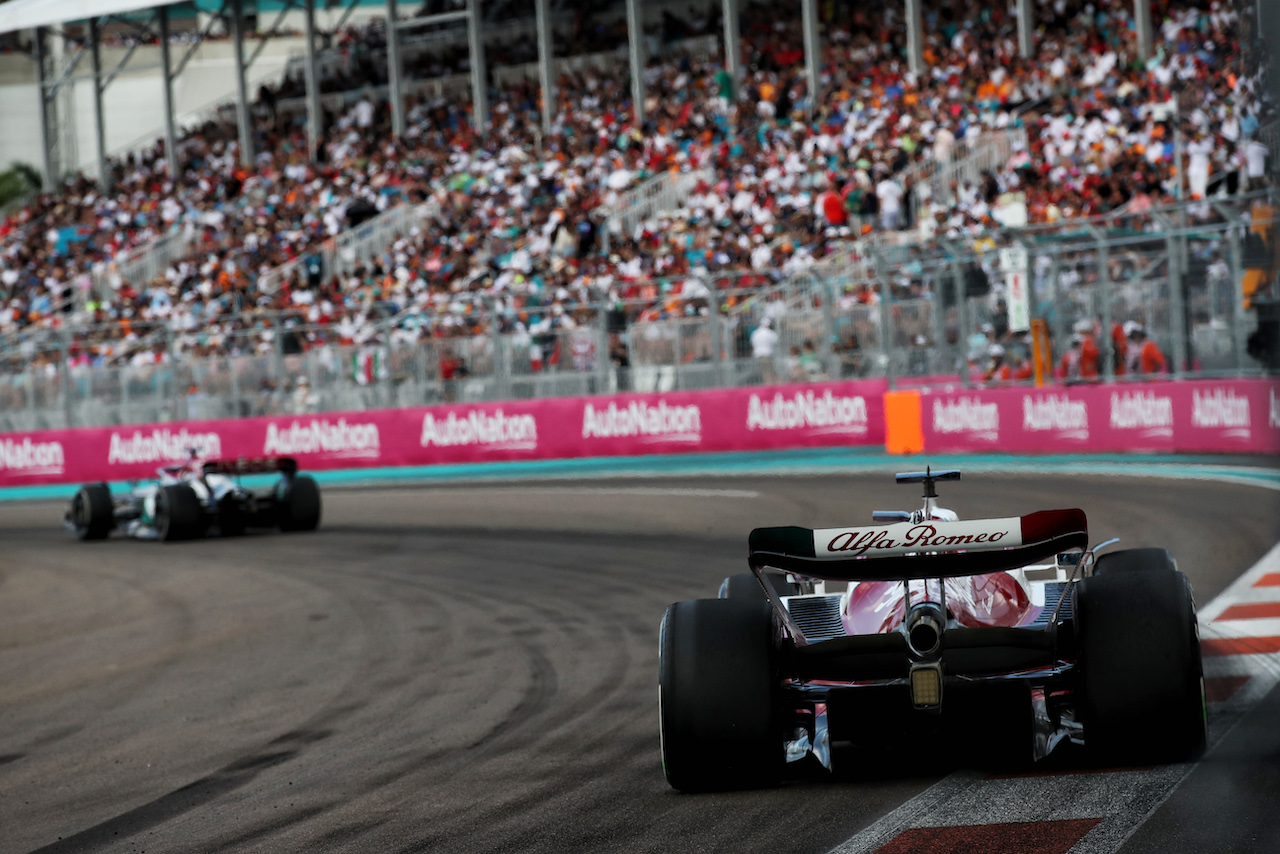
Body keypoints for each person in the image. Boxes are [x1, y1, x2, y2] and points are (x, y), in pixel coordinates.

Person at [751, 317, 779, 384]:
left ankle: (768, 387)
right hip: (767, 355)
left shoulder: (755, 333)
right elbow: (776, 341)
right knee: (770, 374)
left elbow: (752, 343)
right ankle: (771, 388)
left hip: (758, 356)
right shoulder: (769, 333)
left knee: (764, 374)